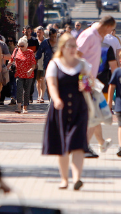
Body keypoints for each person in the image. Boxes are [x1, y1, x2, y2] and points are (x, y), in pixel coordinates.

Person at [42, 33, 92, 190]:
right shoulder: (54, 64)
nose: (73, 49)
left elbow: (90, 83)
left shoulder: (82, 64)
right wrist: (56, 99)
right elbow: (52, 85)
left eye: (74, 46)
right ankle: (64, 179)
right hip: (61, 109)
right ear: (62, 47)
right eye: (70, 46)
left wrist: (86, 85)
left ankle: (77, 178)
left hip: (79, 108)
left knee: (77, 144)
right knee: (62, 145)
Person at [77, 16, 118, 157]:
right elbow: (77, 55)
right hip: (84, 80)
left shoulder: (96, 36)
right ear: (107, 27)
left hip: (90, 81)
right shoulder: (89, 35)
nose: (109, 33)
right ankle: (83, 147)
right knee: (92, 114)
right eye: (110, 30)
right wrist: (81, 78)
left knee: (93, 115)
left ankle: (84, 146)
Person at [11, 37, 36, 114]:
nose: (20, 48)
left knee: (26, 91)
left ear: (26, 45)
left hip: (28, 75)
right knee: (19, 90)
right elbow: (11, 60)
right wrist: (8, 66)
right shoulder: (16, 51)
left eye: (22, 46)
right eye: (19, 46)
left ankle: (25, 107)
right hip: (19, 73)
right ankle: (18, 107)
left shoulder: (30, 52)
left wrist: (30, 70)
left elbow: (33, 64)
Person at [35, 28, 56, 104]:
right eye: (52, 36)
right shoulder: (45, 43)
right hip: (47, 67)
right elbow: (38, 54)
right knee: (49, 84)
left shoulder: (59, 43)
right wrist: (34, 64)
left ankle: (55, 100)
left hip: (58, 68)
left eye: (55, 36)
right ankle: (51, 101)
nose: (53, 38)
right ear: (49, 36)